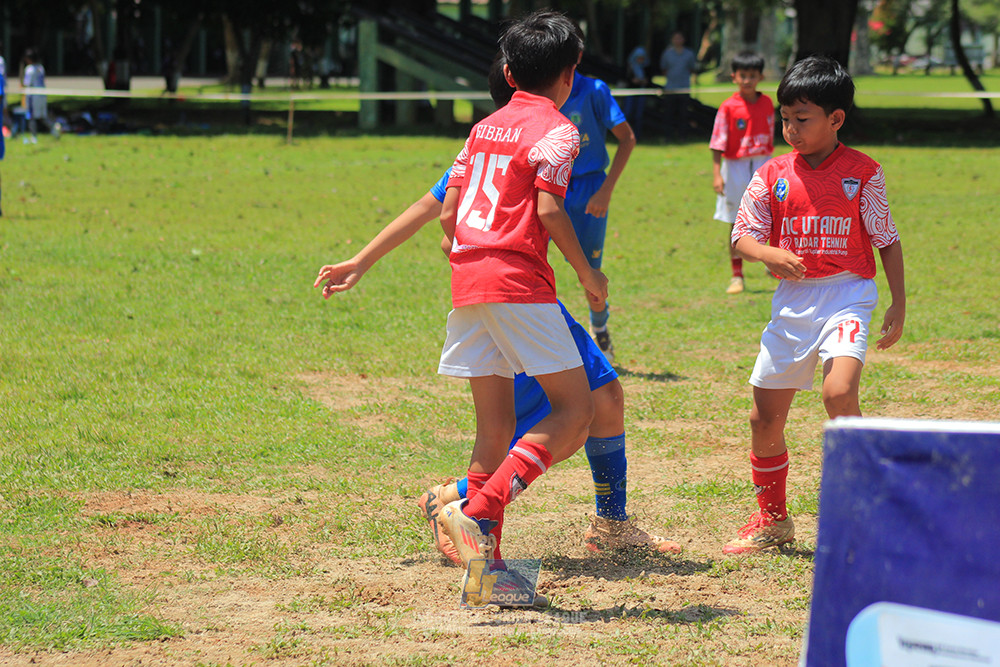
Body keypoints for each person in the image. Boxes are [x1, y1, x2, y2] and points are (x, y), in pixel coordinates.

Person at [725, 55, 906, 554]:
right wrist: (767, 253)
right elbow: (742, 236)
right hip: (793, 302)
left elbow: (886, 238)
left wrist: (898, 303)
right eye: (784, 118)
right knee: (764, 418)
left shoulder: (864, 173)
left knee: (838, 393)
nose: (790, 128)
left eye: (801, 119)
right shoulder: (771, 174)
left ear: (836, 119)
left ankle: (868, 506)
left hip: (848, 292)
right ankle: (772, 518)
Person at [558, 64, 636, 363]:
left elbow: (627, 138)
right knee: (531, 266)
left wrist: (605, 191)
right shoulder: (539, 89)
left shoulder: (594, 90)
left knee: (589, 274)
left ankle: (599, 330)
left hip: (589, 189)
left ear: (576, 56)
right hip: (549, 186)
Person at [709, 51, 774, 295]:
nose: (748, 80)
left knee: (770, 215)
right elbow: (717, 142)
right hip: (735, 166)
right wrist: (717, 174)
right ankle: (737, 275)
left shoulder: (767, 103)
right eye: (743, 75)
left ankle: (772, 262)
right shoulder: (728, 107)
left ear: (761, 77)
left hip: (762, 163)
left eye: (753, 76)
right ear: (734, 77)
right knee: (737, 221)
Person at [659, 31, 699, 139]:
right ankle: (668, 136)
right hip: (670, 88)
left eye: (679, 38)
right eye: (675, 38)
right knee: (669, 114)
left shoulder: (689, 53)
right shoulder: (667, 53)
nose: (677, 40)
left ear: (683, 40)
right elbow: (664, 69)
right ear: (672, 40)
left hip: (684, 88)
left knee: (683, 114)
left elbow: (692, 68)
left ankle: (682, 136)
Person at [621, 46, 650, 139]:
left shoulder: (646, 67)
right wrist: (633, 81)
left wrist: (644, 81)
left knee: (639, 115)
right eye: (638, 57)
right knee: (628, 114)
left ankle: (637, 135)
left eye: (642, 58)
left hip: (641, 93)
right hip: (630, 93)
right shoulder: (629, 66)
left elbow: (649, 80)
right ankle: (626, 135)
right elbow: (625, 78)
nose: (640, 60)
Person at [22, 48, 46, 144]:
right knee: (42, 116)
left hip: (33, 96)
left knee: (31, 116)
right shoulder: (41, 68)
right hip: (42, 95)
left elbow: (27, 83)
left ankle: (33, 137)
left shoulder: (29, 69)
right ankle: (54, 128)